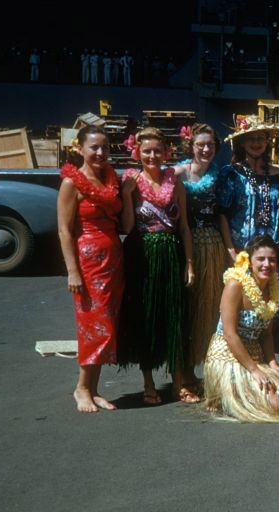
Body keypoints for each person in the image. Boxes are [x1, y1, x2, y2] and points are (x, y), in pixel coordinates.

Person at [118, 127, 196, 404]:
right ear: (137, 152)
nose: (152, 156)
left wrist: (189, 264)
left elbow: (184, 227)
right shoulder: (131, 181)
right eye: (146, 151)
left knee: (173, 317)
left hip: (171, 252)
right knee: (146, 317)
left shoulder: (175, 183)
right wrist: (127, 196)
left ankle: (178, 383)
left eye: (157, 151)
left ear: (166, 153)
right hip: (142, 254)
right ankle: (148, 382)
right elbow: (127, 227)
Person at [202, 236, 279, 423]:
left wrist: (273, 364)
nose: (266, 264)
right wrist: (254, 370)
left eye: (272, 259)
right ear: (249, 260)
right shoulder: (235, 285)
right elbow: (230, 335)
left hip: (255, 354)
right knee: (275, 405)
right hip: (228, 355)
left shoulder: (273, 286)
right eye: (260, 259)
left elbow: (266, 335)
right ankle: (224, 395)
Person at [57, 126, 123, 413]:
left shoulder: (111, 177)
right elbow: (64, 230)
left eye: (105, 147)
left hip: (113, 259)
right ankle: (81, 387)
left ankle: (94, 389)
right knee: (92, 326)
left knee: (107, 326)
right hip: (88, 262)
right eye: (94, 147)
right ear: (80, 149)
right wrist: (72, 270)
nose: (100, 153)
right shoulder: (72, 183)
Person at [218, 116, 279, 352]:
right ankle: (236, 360)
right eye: (250, 139)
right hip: (241, 253)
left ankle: (266, 359)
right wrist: (230, 248)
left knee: (268, 304)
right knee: (242, 305)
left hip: (270, 256)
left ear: (267, 142)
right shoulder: (231, 173)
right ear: (241, 143)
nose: (255, 143)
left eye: (260, 138)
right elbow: (222, 213)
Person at [174, 123, 227, 376]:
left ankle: (207, 365)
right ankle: (183, 371)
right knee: (189, 307)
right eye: (200, 145)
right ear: (190, 145)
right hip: (187, 244)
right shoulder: (178, 173)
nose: (206, 149)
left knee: (210, 306)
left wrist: (229, 249)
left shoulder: (219, 174)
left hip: (213, 246)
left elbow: (223, 215)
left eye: (210, 145)